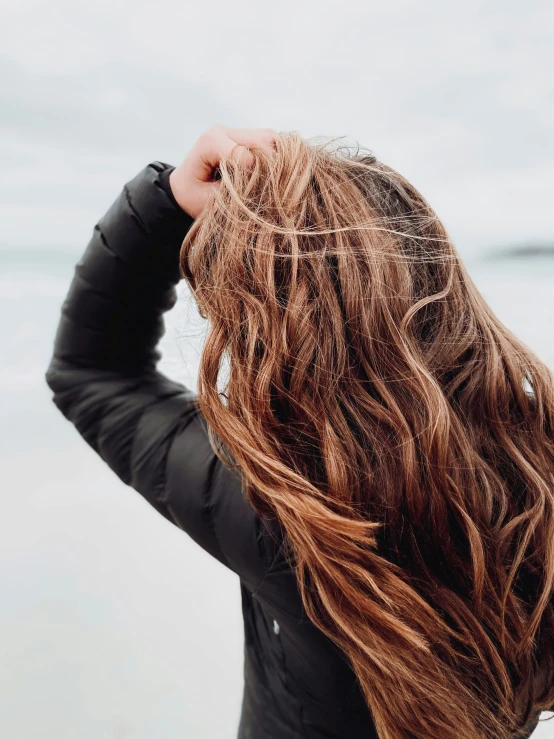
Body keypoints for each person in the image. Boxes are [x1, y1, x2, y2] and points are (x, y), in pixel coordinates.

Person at [45, 125, 554, 739]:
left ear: (266, 339)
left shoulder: (282, 515)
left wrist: (167, 202)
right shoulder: (541, 471)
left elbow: (91, 372)